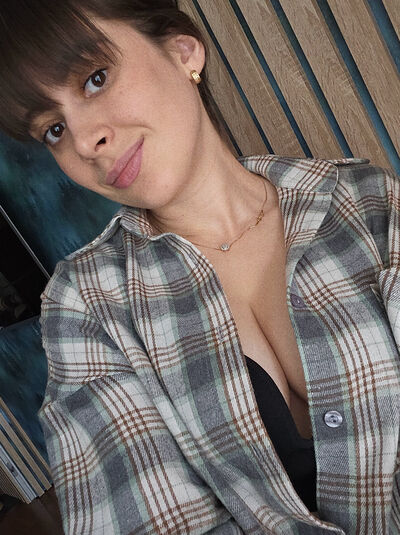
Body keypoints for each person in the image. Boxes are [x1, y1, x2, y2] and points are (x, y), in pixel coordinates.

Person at [1, 1, 400, 533]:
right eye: (53, 129)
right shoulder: (87, 302)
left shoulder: (366, 203)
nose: (83, 141)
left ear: (183, 51)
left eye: (95, 79)